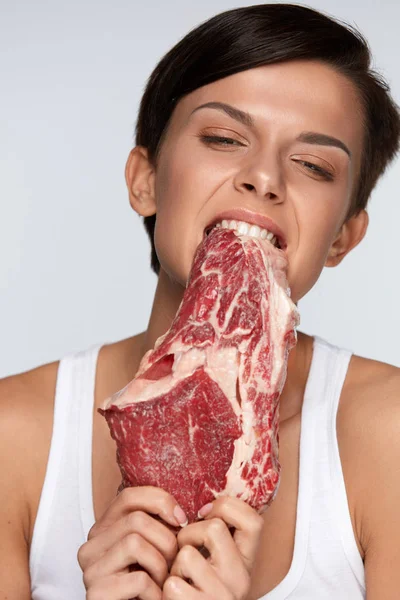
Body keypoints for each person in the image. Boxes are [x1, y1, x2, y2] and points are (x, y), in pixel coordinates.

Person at [1, 3, 400, 599]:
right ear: (145, 180)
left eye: (313, 165)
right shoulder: (14, 436)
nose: (264, 177)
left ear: (342, 236)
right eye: (222, 137)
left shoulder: (387, 433)